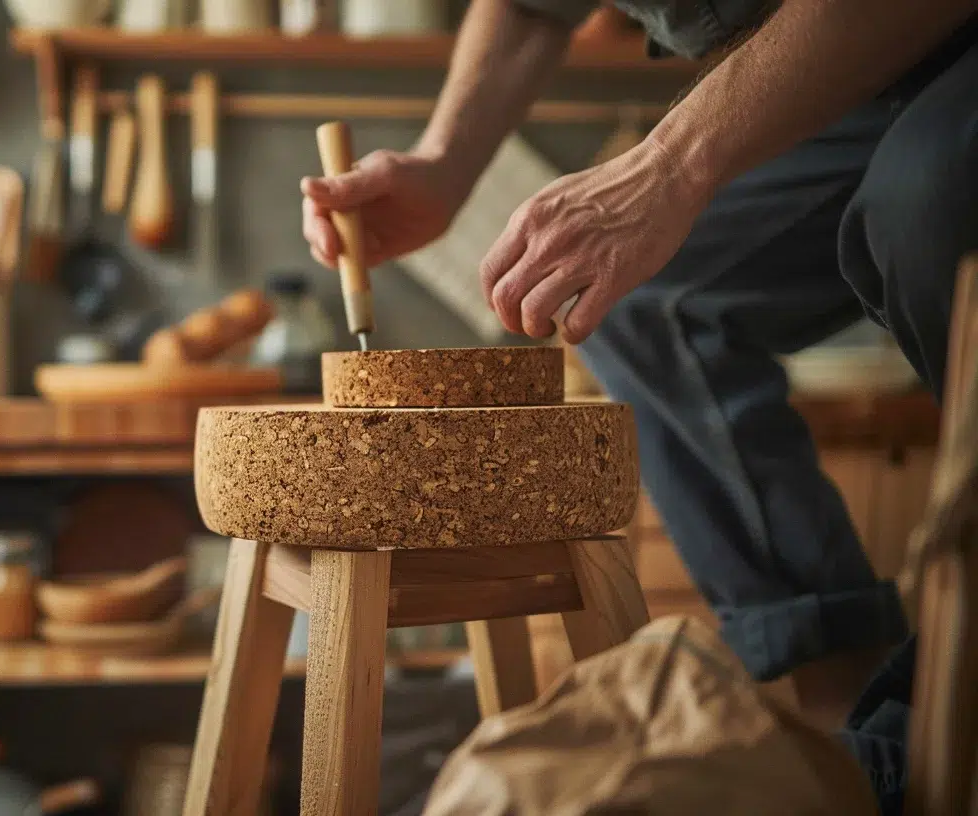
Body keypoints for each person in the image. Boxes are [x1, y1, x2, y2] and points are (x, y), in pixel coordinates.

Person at [301, 0, 977, 807]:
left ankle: (947, 726)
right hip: (845, 82)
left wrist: (670, 166)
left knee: (926, 204)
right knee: (629, 288)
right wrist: (444, 163)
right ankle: (843, 709)